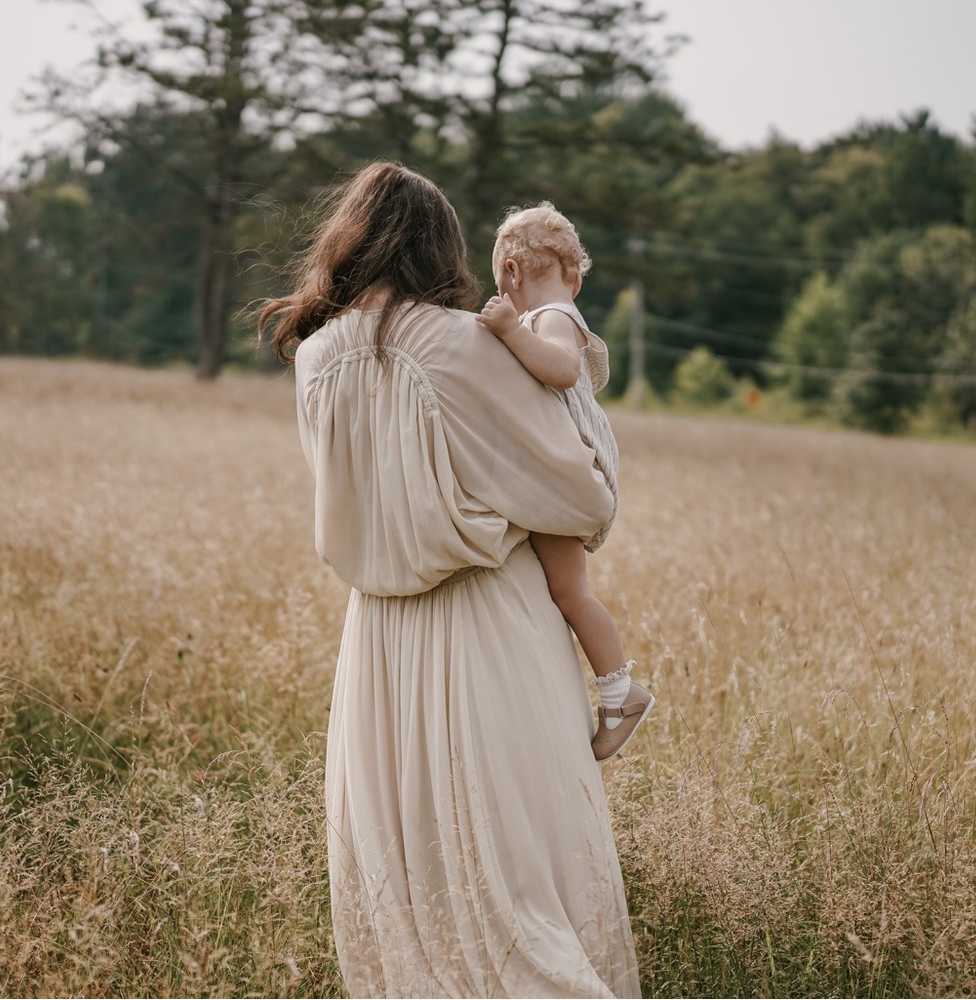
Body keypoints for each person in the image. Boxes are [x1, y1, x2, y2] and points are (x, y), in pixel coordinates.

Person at [258, 163, 641, 999]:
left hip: (376, 650)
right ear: (442, 245)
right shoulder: (463, 342)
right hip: (487, 630)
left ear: (351, 240)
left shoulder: (315, 357)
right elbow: (579, 491)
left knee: (412, 885)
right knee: (520, 888)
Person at [477, 203, 654, 762]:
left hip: (569, 473)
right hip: (563, 468)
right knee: (561, 588)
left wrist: (508, 328)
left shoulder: (549, 318)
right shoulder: (551, 313)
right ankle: (612, 690)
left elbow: (562, 370)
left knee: (570, 591)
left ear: (512, 271)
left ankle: (621, 694)